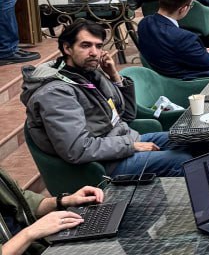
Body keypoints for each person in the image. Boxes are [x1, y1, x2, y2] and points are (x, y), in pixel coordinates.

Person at [21, 20, 194, 177]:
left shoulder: (89, 73)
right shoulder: (56, 93)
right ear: (67, 48)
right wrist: (130, 146)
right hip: (102, 164)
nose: (94, 53)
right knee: (182, 161)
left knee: (193, 139)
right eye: (86, 45)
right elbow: (76, 149)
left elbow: (127, 115)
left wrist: (114, 76)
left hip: (121, 141)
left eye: (98, 46)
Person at [135, 0, 209, 81]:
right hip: (186, 81)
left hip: (161, 74)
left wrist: (202, 51)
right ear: (183, 9)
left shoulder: (144, 24)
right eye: (191, 5)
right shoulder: (184, 38)